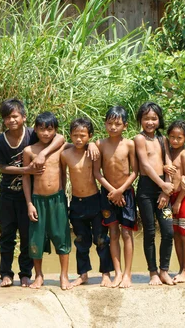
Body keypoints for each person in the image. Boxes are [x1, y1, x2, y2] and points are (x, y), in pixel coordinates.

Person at [0, 98, 65, 288]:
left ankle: (26, 273)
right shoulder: (0, 140)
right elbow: (1, 167)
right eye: (7, 117)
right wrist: (26, 171)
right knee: (6, 235)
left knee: (27, 235)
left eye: (15, 116)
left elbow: (60, 138)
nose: (11, 120)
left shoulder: (32, 135)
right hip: (8, 193)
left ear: (23, 117)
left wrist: (42, 154)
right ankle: (6, 274)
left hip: (30, 196)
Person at [61, 118, 114, 288]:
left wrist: (91, 145)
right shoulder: (66, 154)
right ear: (70, 135)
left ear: (89, 136)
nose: (78, 139)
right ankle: (83, 274)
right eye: (75, 135)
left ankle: (105, 273)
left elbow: (99, 170)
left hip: (95, 201)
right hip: (76, 202)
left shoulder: (93, 152)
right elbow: (62, 175)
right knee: (81, 240)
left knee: (101, 239)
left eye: (83, 135)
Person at [22, 112, 71, 290]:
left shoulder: (61, 147)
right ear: (35, 129)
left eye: (49, 130)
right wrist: (29, 203)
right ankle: (39, 275)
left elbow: (63, 138)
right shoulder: (28, 151)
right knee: (36, 238)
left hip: (57, 199)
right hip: (37, 200)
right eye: (41, 129)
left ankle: (64, 276)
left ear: (55, 130)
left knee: (61, 236)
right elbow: (26, 179)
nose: (45, 133)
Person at [94, 107, 138, 289]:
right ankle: (117, 273)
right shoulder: (100, 144)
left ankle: (128, 273)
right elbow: (97, 172)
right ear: (105, 124)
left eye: (117, 124)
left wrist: (121, 190)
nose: (113, 127)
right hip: (108, 192)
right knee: (113, 233)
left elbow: (135, 171)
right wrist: (113, 191)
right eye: (110, 123)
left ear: (125, 126)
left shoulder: (129, 144)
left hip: (126, 193)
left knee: (127, 233)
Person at [133, 102, 175, 286]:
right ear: (140, 120)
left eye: (153, 118)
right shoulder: (139, 139)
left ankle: (164, 270)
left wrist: (167, 189)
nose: (150, 122)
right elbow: (145, 165)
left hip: (163, 187)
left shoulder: (162, 139)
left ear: (159, 120)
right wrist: (163, 186)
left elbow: (168, 162)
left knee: (168, 231)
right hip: (146, 190)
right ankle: (153, 272)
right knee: (149, 232)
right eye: (146, 118)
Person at [167, 120, 185, 284]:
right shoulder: (167, 152)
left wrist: (178, 202)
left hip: (184, 197)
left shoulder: (184, 154)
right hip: (169, 197)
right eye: (172, 137)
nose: (175, 140)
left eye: (179, 138)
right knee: (174, 233)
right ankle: (180, 269)